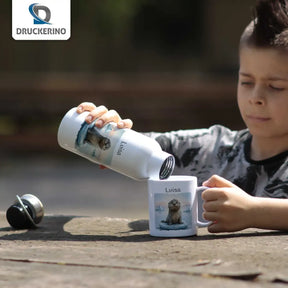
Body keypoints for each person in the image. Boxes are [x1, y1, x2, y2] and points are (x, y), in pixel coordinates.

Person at [76, 0, 288, 233]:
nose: (255, 97)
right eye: (246, 82)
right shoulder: (212, 148)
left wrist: (254, 211)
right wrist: (104, 127)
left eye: (276, 86)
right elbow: (127, 148)